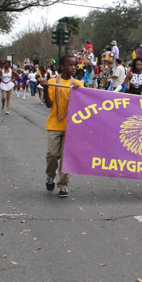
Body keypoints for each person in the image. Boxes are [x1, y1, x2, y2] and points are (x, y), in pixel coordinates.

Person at [40, 55, 82, 198]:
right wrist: (46, 88)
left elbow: (84, 105)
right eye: (70, 65)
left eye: (74, 65)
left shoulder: (78, 84)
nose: (73, 67)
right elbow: (49, 104)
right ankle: (50, 175)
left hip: (71, 127)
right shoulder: (53, 82)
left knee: (66, 157)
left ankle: (63, 185)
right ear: (62, 67)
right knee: (52, 154)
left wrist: (79, 92)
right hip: (54, 124)